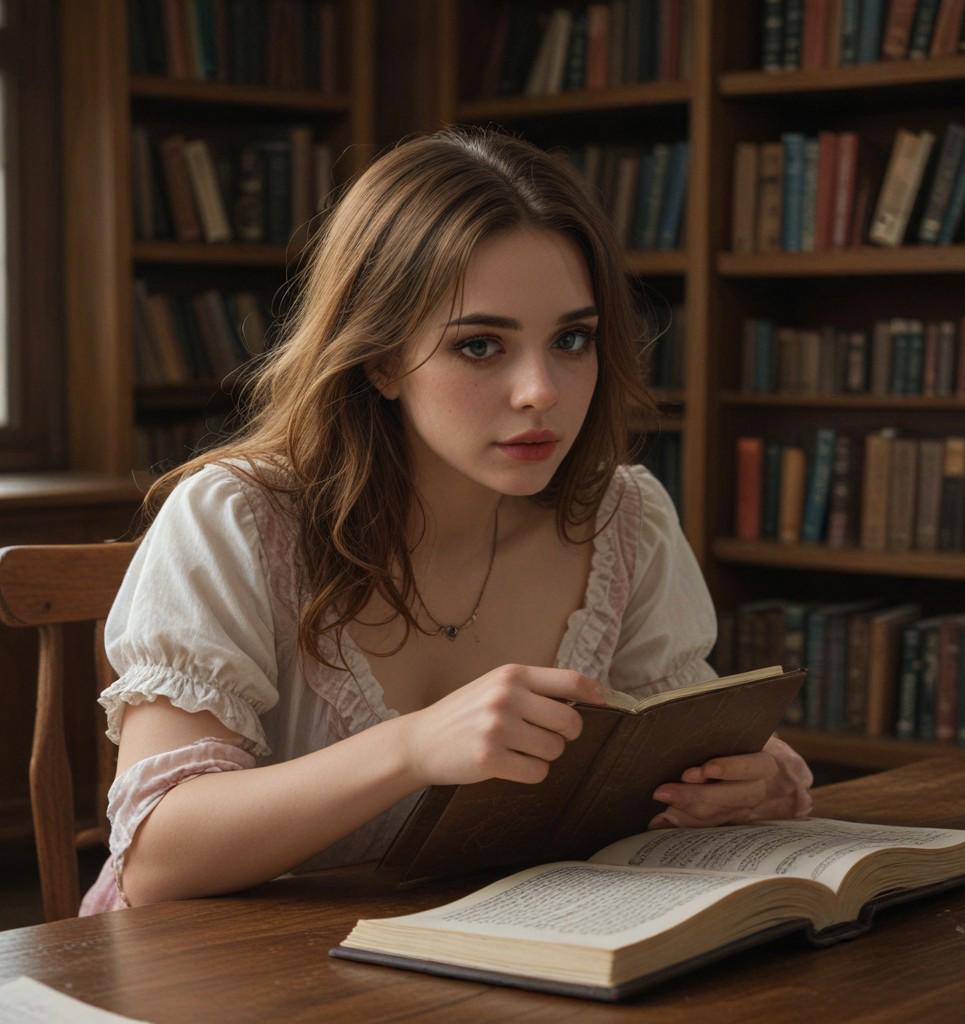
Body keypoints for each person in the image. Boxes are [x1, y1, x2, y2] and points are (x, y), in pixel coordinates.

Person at [80, 127, 813, 915]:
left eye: (572, 339)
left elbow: (658, 784)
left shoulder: (625, 521)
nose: (541, 390)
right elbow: (157, 857)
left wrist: (740, 785)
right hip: (213, 982)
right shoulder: (239, 518)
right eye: (479, 346)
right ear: (380, 358)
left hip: (494, 962)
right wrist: (414, 746)